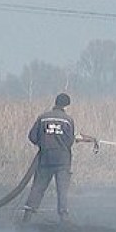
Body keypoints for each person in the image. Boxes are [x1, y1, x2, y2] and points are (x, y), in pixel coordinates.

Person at [22, 93, 98, 224]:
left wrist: (44, 144)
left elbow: (32, 137)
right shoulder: (67, 120)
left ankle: (27, 218)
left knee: (38, 187)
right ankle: (64, 218)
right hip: (62, 160)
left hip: (44, 158)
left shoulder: (42, 118)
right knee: (62, 189)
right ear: (66, 105)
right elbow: (70, 140)